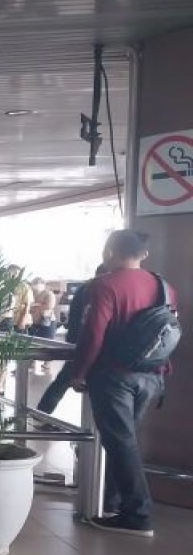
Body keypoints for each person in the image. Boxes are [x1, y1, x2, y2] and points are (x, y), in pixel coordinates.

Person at [70, 230, 177, 538]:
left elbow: (93, 335)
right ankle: (113, 502)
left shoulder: (105, 285)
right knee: (125, 440)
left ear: (109, 251)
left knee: (120, 442)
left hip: (114, 376)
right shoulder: (164, 287)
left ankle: (138, 514)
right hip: (152, 375)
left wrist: (79, 372)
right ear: (144, 254)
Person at [36, 265, 108, 415]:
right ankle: (42, 414)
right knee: (66, 380)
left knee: (63, 381)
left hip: (77, 343)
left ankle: (42, 414)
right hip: (85, 344)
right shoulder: (94, 290)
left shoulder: (85, 289)